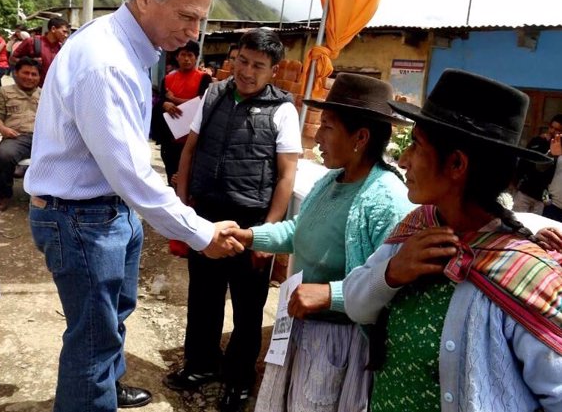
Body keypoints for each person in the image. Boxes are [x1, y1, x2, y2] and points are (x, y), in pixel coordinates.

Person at [24, 0, 243, 412]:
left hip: (104, 210)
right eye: (186, 16)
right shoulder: (106, 61)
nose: (194, 32)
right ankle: (92, 394)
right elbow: (131, 173)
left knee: (113, 315)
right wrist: (201, 233)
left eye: (200, 19)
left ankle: (105, 383)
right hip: (80, 217)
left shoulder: (127, 49)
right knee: (92, 338)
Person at [343, 69, 562, 412]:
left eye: (415, 145)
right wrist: (391, 273)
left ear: (457, 163)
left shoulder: (523, 272)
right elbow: (356, 304)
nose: (403, 160)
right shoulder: (415, 230)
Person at [222, 73, 415, 412]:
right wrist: (250, 235)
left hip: (340, 345)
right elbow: (301, 230)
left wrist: (330, 297)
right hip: (304, 330)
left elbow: (390, 284)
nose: (316, 136)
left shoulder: (385, 199)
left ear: (361, 137)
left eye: (327, 126)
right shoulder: (332, 180)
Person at [165, 28, 302, 412]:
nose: (247, 71)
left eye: (258, 65)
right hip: (206, 216)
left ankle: (239, 378)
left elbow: (286, 175)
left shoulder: (283, 110)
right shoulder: (213, 94)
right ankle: (201, 365)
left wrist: (267, 234)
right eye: (242, 61)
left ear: (273, 70)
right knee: (203, 296)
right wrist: (183, 207)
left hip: (251, 223)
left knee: (247, 307)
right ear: (233, 59)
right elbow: (190, 149)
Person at [152, 40, 212, 186]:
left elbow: (202, 101)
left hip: (193, 140)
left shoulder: (204, 78)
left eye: (190, 55)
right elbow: (159, 101)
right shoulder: (167, 79)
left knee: (189, 179)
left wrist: (174, 99)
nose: (186, 59)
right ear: (177, 57)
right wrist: (165, 104)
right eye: (183, 54)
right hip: (171, 140)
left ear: (196, 57)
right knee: (172, 177)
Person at [0, 57, 42, 212]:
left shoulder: (46, 94)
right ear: (16, 73)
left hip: (42, 138)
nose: (30, 77)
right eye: (26, 73)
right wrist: (3, 130)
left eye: (34, 74)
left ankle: (48, 196)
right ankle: (3, 195)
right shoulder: (4, 92)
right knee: (4, 156)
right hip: (16, 137)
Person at [512, 114, 562, 214]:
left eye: (557, 130)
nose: (552, 131)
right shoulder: (538, 141)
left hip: (544, 198)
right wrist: (516, 182)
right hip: (526, 191)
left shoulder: (559, 150)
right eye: (551, 127)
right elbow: (524, 162)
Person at [10, 17, 69, 86]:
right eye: (64, 31)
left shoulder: (61, 48)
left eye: (67, 33)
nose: (66, 35)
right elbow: (12, 59)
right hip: (32, 90)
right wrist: (30, 62)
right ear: (53, 29)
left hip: (50, 89)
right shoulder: (32, 42)